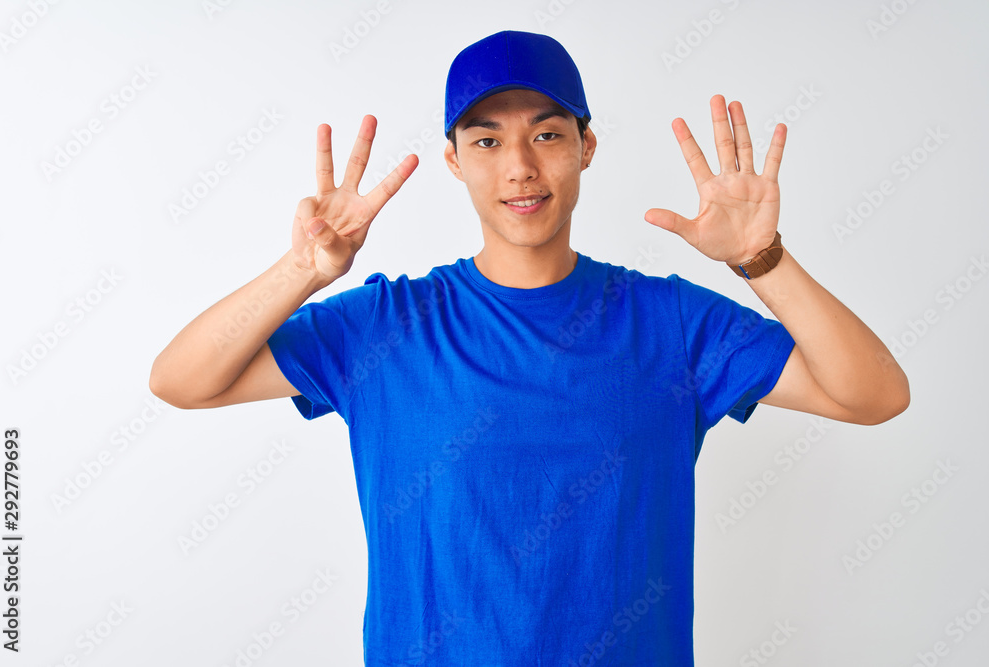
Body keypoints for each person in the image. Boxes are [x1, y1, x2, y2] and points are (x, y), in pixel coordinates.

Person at [150, 29, 909, 667]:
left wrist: (763, 259)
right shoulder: (385, 325)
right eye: (488, 139)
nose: (520, 165)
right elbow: (181, 378)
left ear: (586, 147)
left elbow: (875, 393)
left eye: (547, 133)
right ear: (455, 160)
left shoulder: (670, 323)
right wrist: (304, 271)